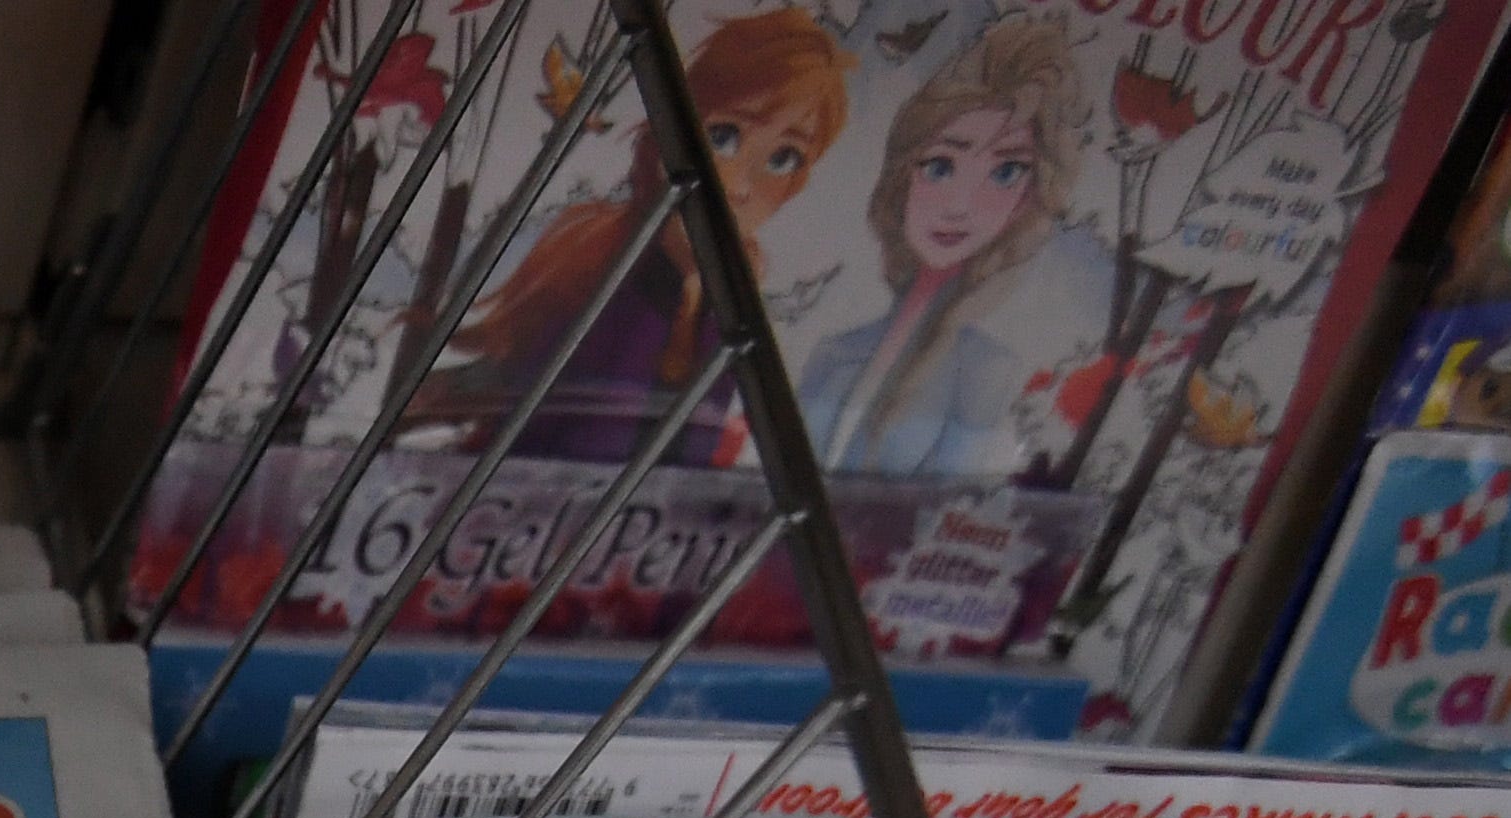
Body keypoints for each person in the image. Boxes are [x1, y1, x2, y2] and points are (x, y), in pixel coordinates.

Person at [416, 10, 852, 466]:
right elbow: (515, 385)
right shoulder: (599, 263)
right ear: (668, 135)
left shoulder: (732, 303)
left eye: (784, 158)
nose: (741, 186)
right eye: (723, 136)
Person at [794, 17, 1108, 481]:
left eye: (1005, 173)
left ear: (1029, 197)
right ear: (903, 175)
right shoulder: (833, 351)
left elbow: (941, 510)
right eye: (940, 167)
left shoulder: (985, 369)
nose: (960, 206)